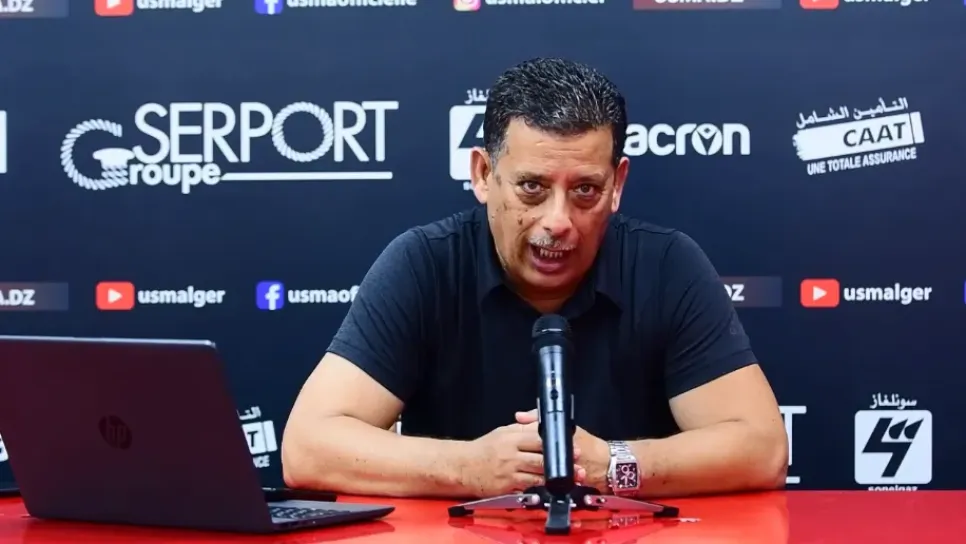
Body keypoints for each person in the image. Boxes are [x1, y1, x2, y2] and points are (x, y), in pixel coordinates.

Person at [281, 58, 788, 500]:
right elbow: (307, 448)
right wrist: (468, 468)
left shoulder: (667, 266)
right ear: (483, 175)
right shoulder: (424, 264)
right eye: (531, 187)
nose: (558, 221)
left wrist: (613, 464)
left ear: (617, 185)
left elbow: (762, 450)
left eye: (585, 190)